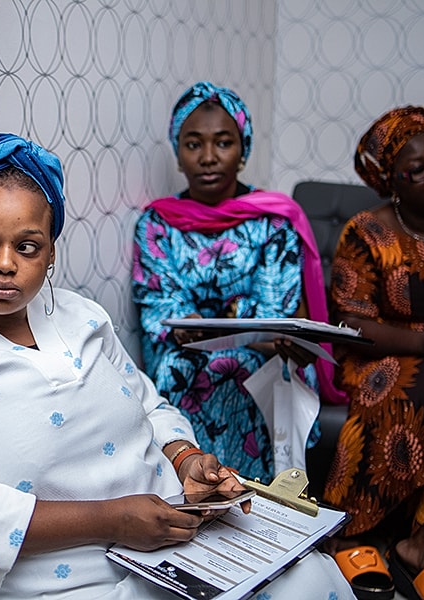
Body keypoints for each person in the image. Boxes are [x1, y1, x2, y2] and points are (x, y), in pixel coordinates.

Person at [0, 133, 355, 599]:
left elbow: (150, 406)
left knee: (311, 574)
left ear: (51, 252)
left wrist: (186, 461)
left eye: (27, 246)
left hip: (168, 546)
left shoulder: (82, 317)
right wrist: (114, 521)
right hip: (52, 583)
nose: (6, 263)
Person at [132, 81, 345, 483]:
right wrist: (227, 320)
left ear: (243, 150)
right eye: (193, 144)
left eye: (223, 143)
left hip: (265, 354)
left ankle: (257, 499)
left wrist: (226, 325)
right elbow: (162, 311)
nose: (208, 158)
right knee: (184, 370)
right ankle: (193, 492)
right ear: (178, 154)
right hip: (187, 354)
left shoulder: (273, 222)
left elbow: (274, 315)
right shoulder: (156, 224)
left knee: (240, 366)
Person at [323, 106, 424, 600]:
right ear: (392, 180)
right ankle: (357, 534)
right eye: (419, 169)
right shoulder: (367, 231)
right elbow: (349, 323)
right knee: (419, 383)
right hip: (388, 353)